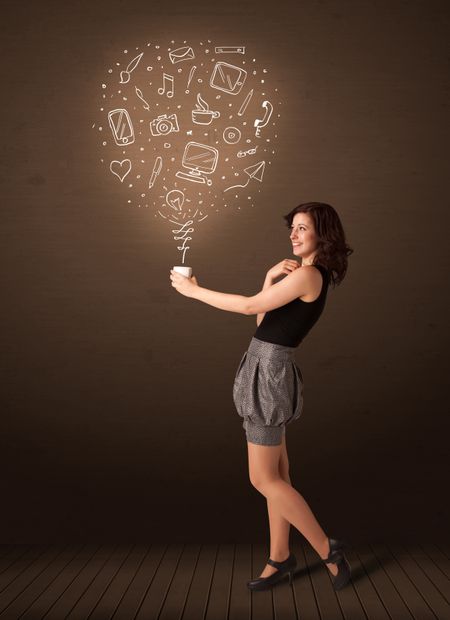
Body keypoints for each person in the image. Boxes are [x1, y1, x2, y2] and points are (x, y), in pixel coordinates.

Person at [169, 201, 354, 591]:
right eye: (293, 228)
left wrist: (194, 291)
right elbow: (264, 320)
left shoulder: (309, 276)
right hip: (267, 369)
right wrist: (269, 277)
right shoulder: (301, 275)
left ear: (323, 233)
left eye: (303, 228)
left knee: (262, 478)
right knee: (279, 475)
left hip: (268, 374)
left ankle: (327, 548)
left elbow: (249, 308)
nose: (294, 234)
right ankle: (280, 558)